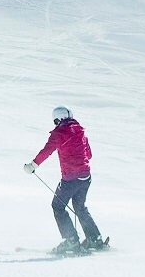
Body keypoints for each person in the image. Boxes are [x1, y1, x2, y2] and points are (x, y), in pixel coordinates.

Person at [24, 107, 107, 255]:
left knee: (57, 206)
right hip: (85, 177)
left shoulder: (59, 133)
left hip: (70, 179)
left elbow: (47, 150)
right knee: (80, 207)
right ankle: (95, 239)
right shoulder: (81, 131)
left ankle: (71, 241)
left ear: (57, 119)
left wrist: (33, 165)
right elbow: (89, 154)